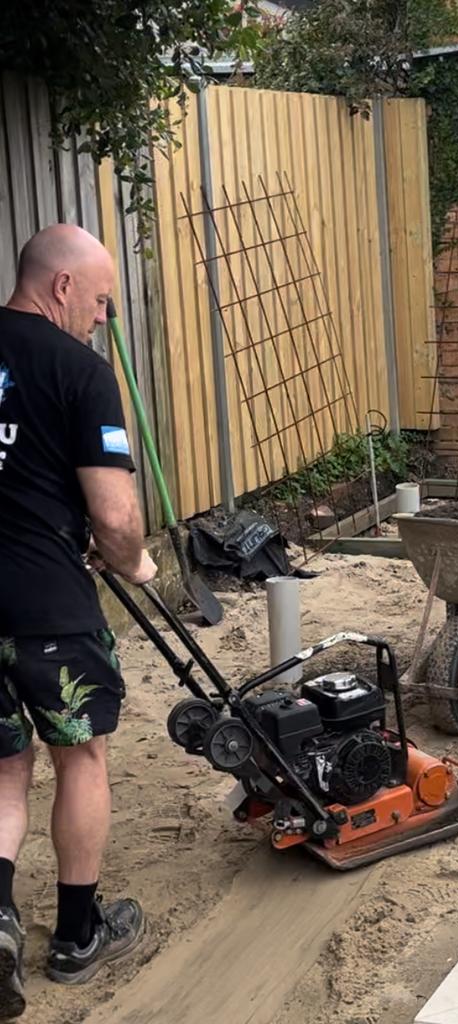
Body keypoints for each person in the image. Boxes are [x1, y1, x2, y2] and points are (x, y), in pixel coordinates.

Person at [0, 225, 157, 1017]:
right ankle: (75, 932)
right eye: (99, 300)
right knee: (80, 755)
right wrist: (132, 560)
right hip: (45, 607)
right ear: (62, 288)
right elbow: (116, 512)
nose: (102, 317)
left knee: (0, 767)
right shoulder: (78, 370)